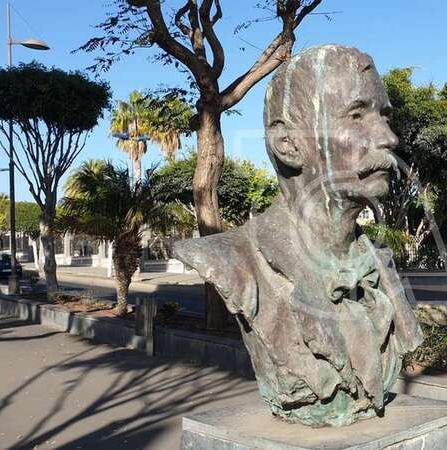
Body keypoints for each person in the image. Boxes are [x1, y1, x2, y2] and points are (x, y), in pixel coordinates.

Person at [174, 45, 423, 427]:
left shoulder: (379, 265)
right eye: (357, 115)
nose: (388, 137)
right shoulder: (233, 260)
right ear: (288, 145)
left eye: (384, 116)